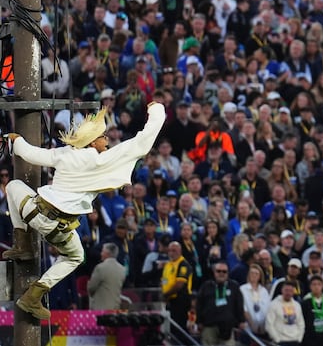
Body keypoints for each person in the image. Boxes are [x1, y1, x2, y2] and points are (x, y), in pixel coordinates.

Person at [3, 102, 165, 319]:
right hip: (59, 228)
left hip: (34, 211)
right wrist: (156, 109)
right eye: (103, 136)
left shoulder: (63, 154)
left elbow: (31, 153)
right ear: (92, 142)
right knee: (74, 258)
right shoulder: (103, 160)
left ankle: (21, 242)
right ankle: (33, 296)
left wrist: (16, 141)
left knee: (13, 185)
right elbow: (144, 141)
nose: (106, 140)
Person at [162, 241, 194, 340]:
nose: (171, 253)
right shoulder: (168, 265)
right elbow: (164, 281)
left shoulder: (183, 265)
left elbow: (179, 284)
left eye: (174, 250)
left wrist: (165, 295)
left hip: (181, 301)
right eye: (170, 250)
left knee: (180, 329)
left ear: (180, 251)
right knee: (170, 329)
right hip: (169, 301)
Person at [87, 242, 127, 310]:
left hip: (101, 309)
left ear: (107, 254)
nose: (101, 254)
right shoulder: (123, 269)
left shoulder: (100, 268)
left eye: (102, 251)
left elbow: (91, 288)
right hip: (116, 308)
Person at [266, 280, 305, 346]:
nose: (288, 293)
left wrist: (299, 338)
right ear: (282, 290)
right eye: (286, 290)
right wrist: (277, 339)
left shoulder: (297, 305)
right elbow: (269, 324)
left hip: (295, 341)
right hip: (280, 341)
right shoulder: (274, 304)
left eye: (290, 291)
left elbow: (301, 324)